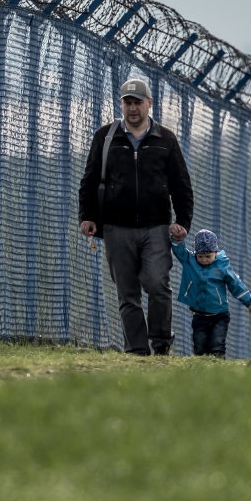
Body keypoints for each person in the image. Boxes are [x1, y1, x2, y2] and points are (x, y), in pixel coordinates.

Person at [78, 77, 194, 356]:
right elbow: (90, 180)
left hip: (156, 227)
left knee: (158, 284)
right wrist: (87, 216)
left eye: (138, 102)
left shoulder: (165, 139)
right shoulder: (105, 137)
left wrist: (182, 222)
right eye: (127, 102)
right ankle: (137, 352)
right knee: (127, 294)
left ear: (149, 104)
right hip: (116, 227)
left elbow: (181, 184)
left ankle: (161, 343)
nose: (132, 108)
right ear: (121, 104)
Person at [167, 226, 251, 358]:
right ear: (195, 253)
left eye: (208, 256)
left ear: (216, 252)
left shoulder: (223, 266)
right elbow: (179, 251)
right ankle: (202, 372)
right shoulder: (190, 261)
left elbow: (236, 284)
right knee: (200, 346)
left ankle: (218, 367)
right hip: (199, 316)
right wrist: (177, 239)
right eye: (200, 256)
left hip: (219, 315)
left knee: (217, 344)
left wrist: (249, 303)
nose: (204, 259)